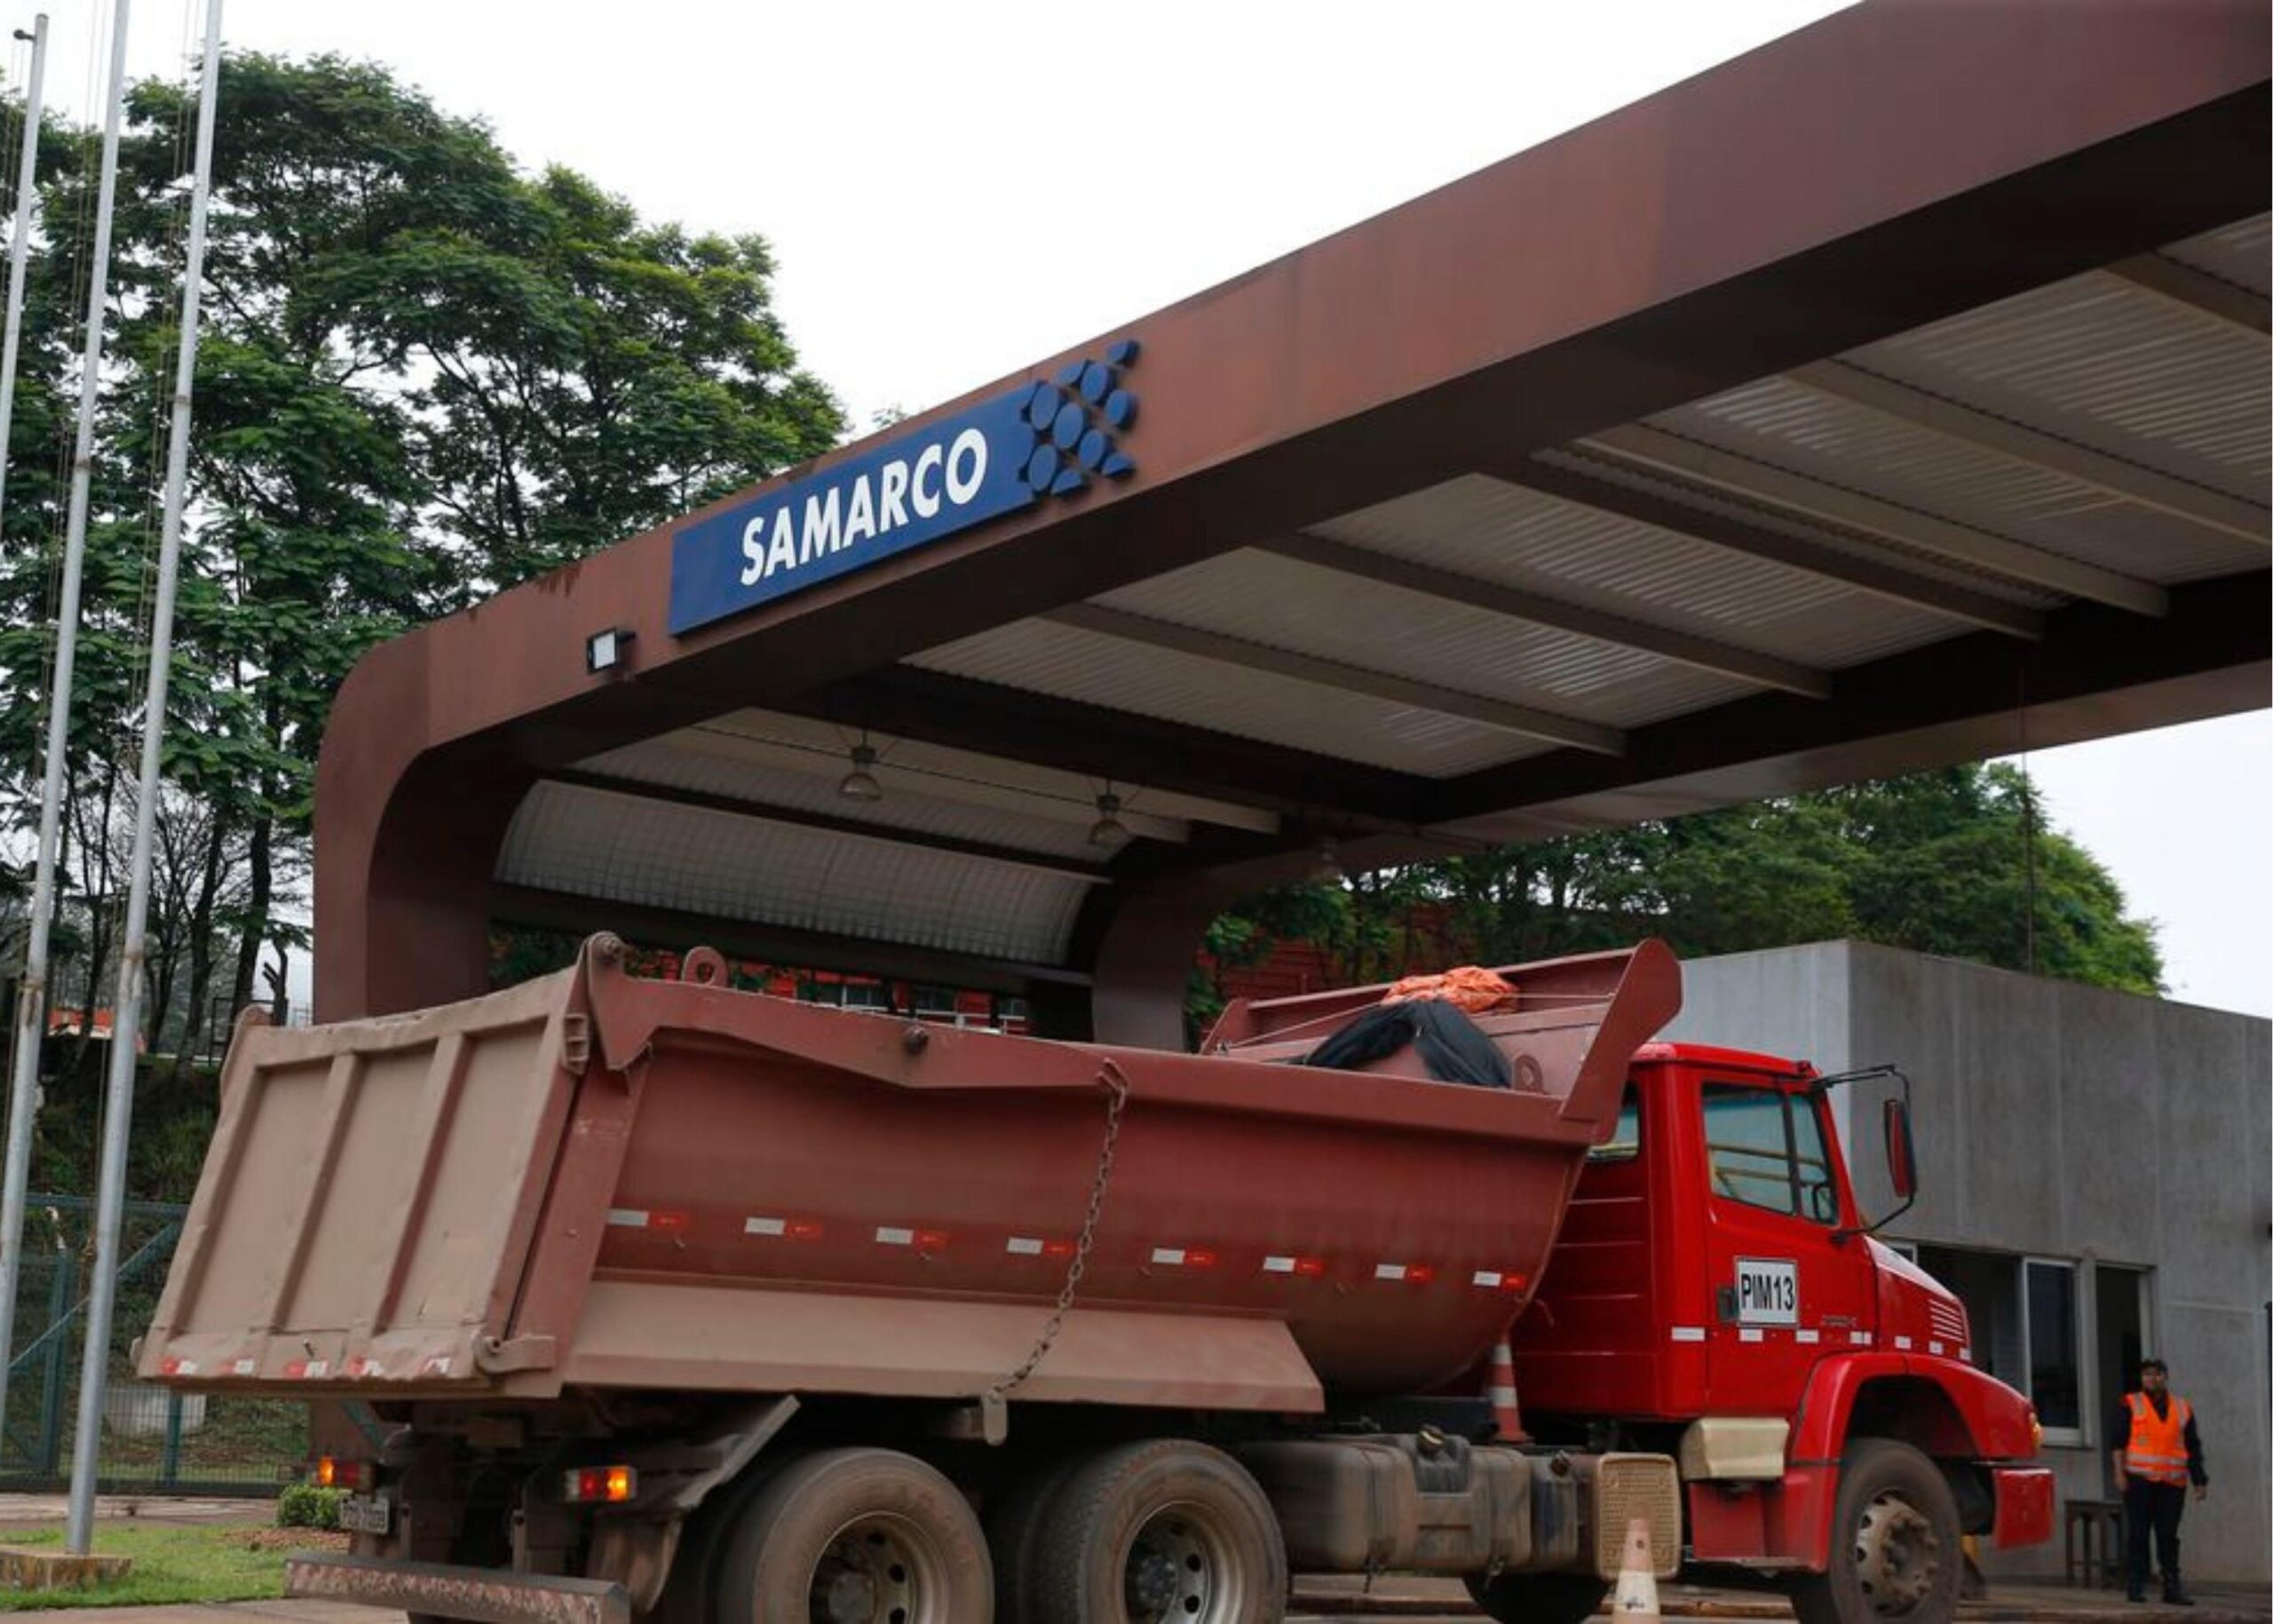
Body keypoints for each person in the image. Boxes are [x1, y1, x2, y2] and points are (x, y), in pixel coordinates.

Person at [2110, 1358, 2207, 1605]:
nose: (2152, 1379)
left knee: (2168, 1535)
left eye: (2157, 1374)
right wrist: (2119, 1474)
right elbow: (2118, 1443)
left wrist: (2199, 1480)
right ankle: (2136, 1585)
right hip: (2139, 1480)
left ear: (2165, 1377)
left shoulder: (2182, 1408)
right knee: (2139, 1534)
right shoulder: (2131, 1403)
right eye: (2147, 1375)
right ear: (2142, 1379)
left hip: (2172, 1483)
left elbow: (2193, 1447)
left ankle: (2171, 1587)